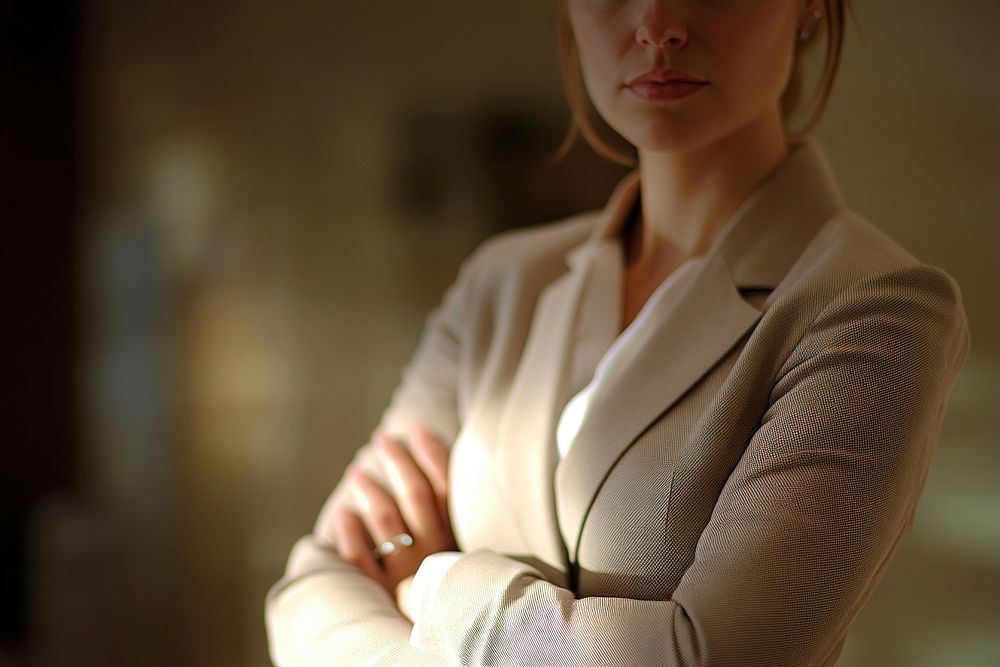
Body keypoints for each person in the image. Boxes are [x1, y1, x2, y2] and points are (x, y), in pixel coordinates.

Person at [265, 1, 970, 665]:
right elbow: (306, 592)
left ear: (813, 4)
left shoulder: (875, 307)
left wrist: (429, 586)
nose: (657, 23)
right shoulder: (501, 282)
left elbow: (710, 657)